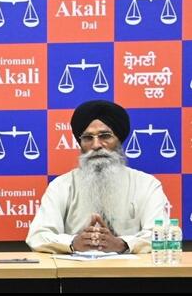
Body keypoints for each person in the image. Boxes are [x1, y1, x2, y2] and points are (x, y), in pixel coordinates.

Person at [26, 100, 168, 254]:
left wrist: (123, 244)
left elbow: (162, 234)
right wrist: (73, 243)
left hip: (132, 275)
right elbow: (37, 236)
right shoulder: (61, 186)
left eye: (105, 136)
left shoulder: (146, 184)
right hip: (75, 274)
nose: (96, 145)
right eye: (88, 138)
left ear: (119, 140)